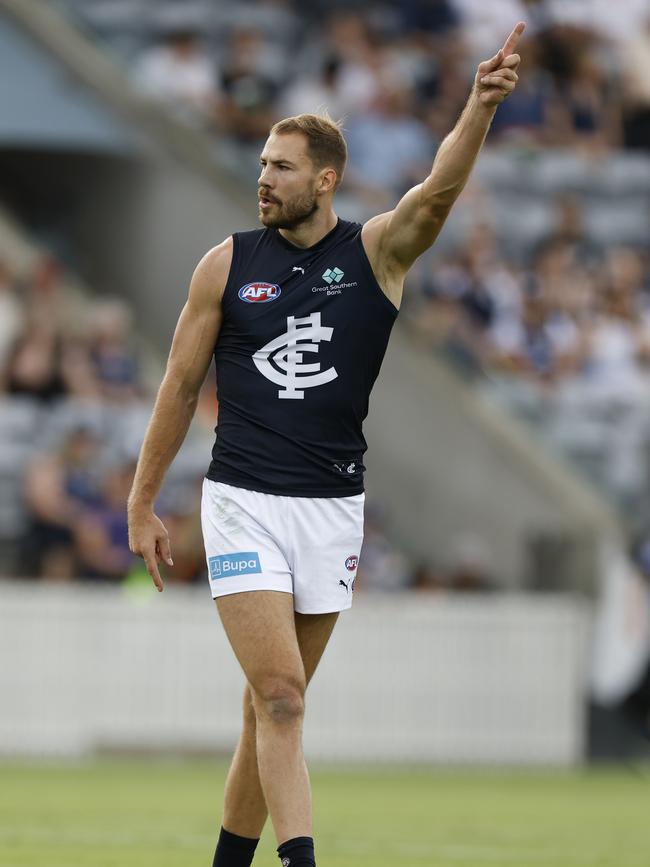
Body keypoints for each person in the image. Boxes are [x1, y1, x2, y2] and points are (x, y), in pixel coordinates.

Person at [127, 22, 525, 867]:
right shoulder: (224, 265)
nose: (262, 177)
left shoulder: (375, 254)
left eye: (280, 166)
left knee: (268, 708)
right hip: (243, 499)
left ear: (326, 178)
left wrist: (480, 106)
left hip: (333, 508)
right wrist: (141, 499)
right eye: (262, 162)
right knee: (281, 697)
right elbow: (176, 386)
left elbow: (438, 192)